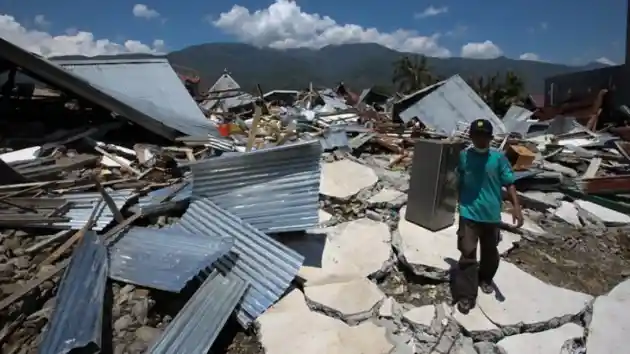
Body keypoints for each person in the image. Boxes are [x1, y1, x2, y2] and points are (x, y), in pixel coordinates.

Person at [454, 118, 523, 314]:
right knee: (467, 253)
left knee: (490, 253)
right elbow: (458, 178)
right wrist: (456, 202)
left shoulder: (498, 158)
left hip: (491, 214)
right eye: (476, 135)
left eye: (484, 136)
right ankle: (466, 296)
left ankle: (485, 278)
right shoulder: (464, 156)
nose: (480, 140)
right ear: (471, 136)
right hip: (469, 212)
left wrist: (516, 208)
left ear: (491, 138)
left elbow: (509, 183)